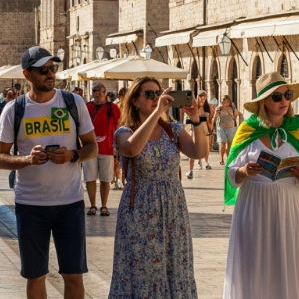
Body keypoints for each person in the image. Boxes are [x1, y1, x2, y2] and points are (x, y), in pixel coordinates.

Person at [0, 46, 98, 299]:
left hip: (70, 203)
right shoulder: (14, 109)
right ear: (27, 74)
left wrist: (72, 155)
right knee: (35, 276)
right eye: (43, 70)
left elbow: (92, 147)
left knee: (73, 275)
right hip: (31, 205)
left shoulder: (73, 102)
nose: (50, 73)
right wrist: (28, 159)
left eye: (53, 68)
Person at [109, 78, 207, 297]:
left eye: (158, 93)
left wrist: (196, 120)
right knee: (142, 270)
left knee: (175, 267)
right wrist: (158, 112)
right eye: (149, 94)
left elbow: (199, 152)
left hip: (173, 209)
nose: (156, 98)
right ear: (135, 101)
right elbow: (132, 149)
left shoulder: (172, 129)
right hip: (140, 210)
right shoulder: (124, 132)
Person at [223, 72, 299, 299]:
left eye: (287, 95)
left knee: (285, 263)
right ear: (263, 102)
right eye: (276, 96)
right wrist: (245, 171)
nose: (284, 100)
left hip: (287, 208)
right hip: (254, 206)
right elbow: (231, 173)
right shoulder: (248, 130)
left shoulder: (298, 130)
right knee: (254, 263)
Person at [83, 82, 120, 217]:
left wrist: (117, 146)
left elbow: (119, 125)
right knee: (90, 178)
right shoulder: (87, 107)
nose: (97, 93)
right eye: (95, 90)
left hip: (107, 148)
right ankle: (93, 205)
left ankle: (104, 206)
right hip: (89, 148)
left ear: (105, 93)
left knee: (105, 179)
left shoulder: (113, 108)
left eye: (100, 91)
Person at [187, 90, 214, 178]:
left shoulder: (207, 107)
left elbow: (210, 120)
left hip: (204, 129)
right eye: (201, 98)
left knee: (206, 147)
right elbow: (189, 118)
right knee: (193, 149)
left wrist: (210, 118)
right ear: (198, 97)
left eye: (205, 98)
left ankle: (206, 162)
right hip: (195, 129)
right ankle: (191, 170)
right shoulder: (194, 106)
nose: (203, 100)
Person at [216, 95, 242, 166]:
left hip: (231, 127)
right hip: (222, 127)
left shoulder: (232, 107)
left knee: (229, 144)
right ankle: (222, 159)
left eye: (226, 101)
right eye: (223, 101)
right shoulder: (220, 108)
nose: (224, 102)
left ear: (229, 101)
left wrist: (241, 124)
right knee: (223, 143)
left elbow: (239, 114)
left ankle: (228, 159)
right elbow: (215, 116)